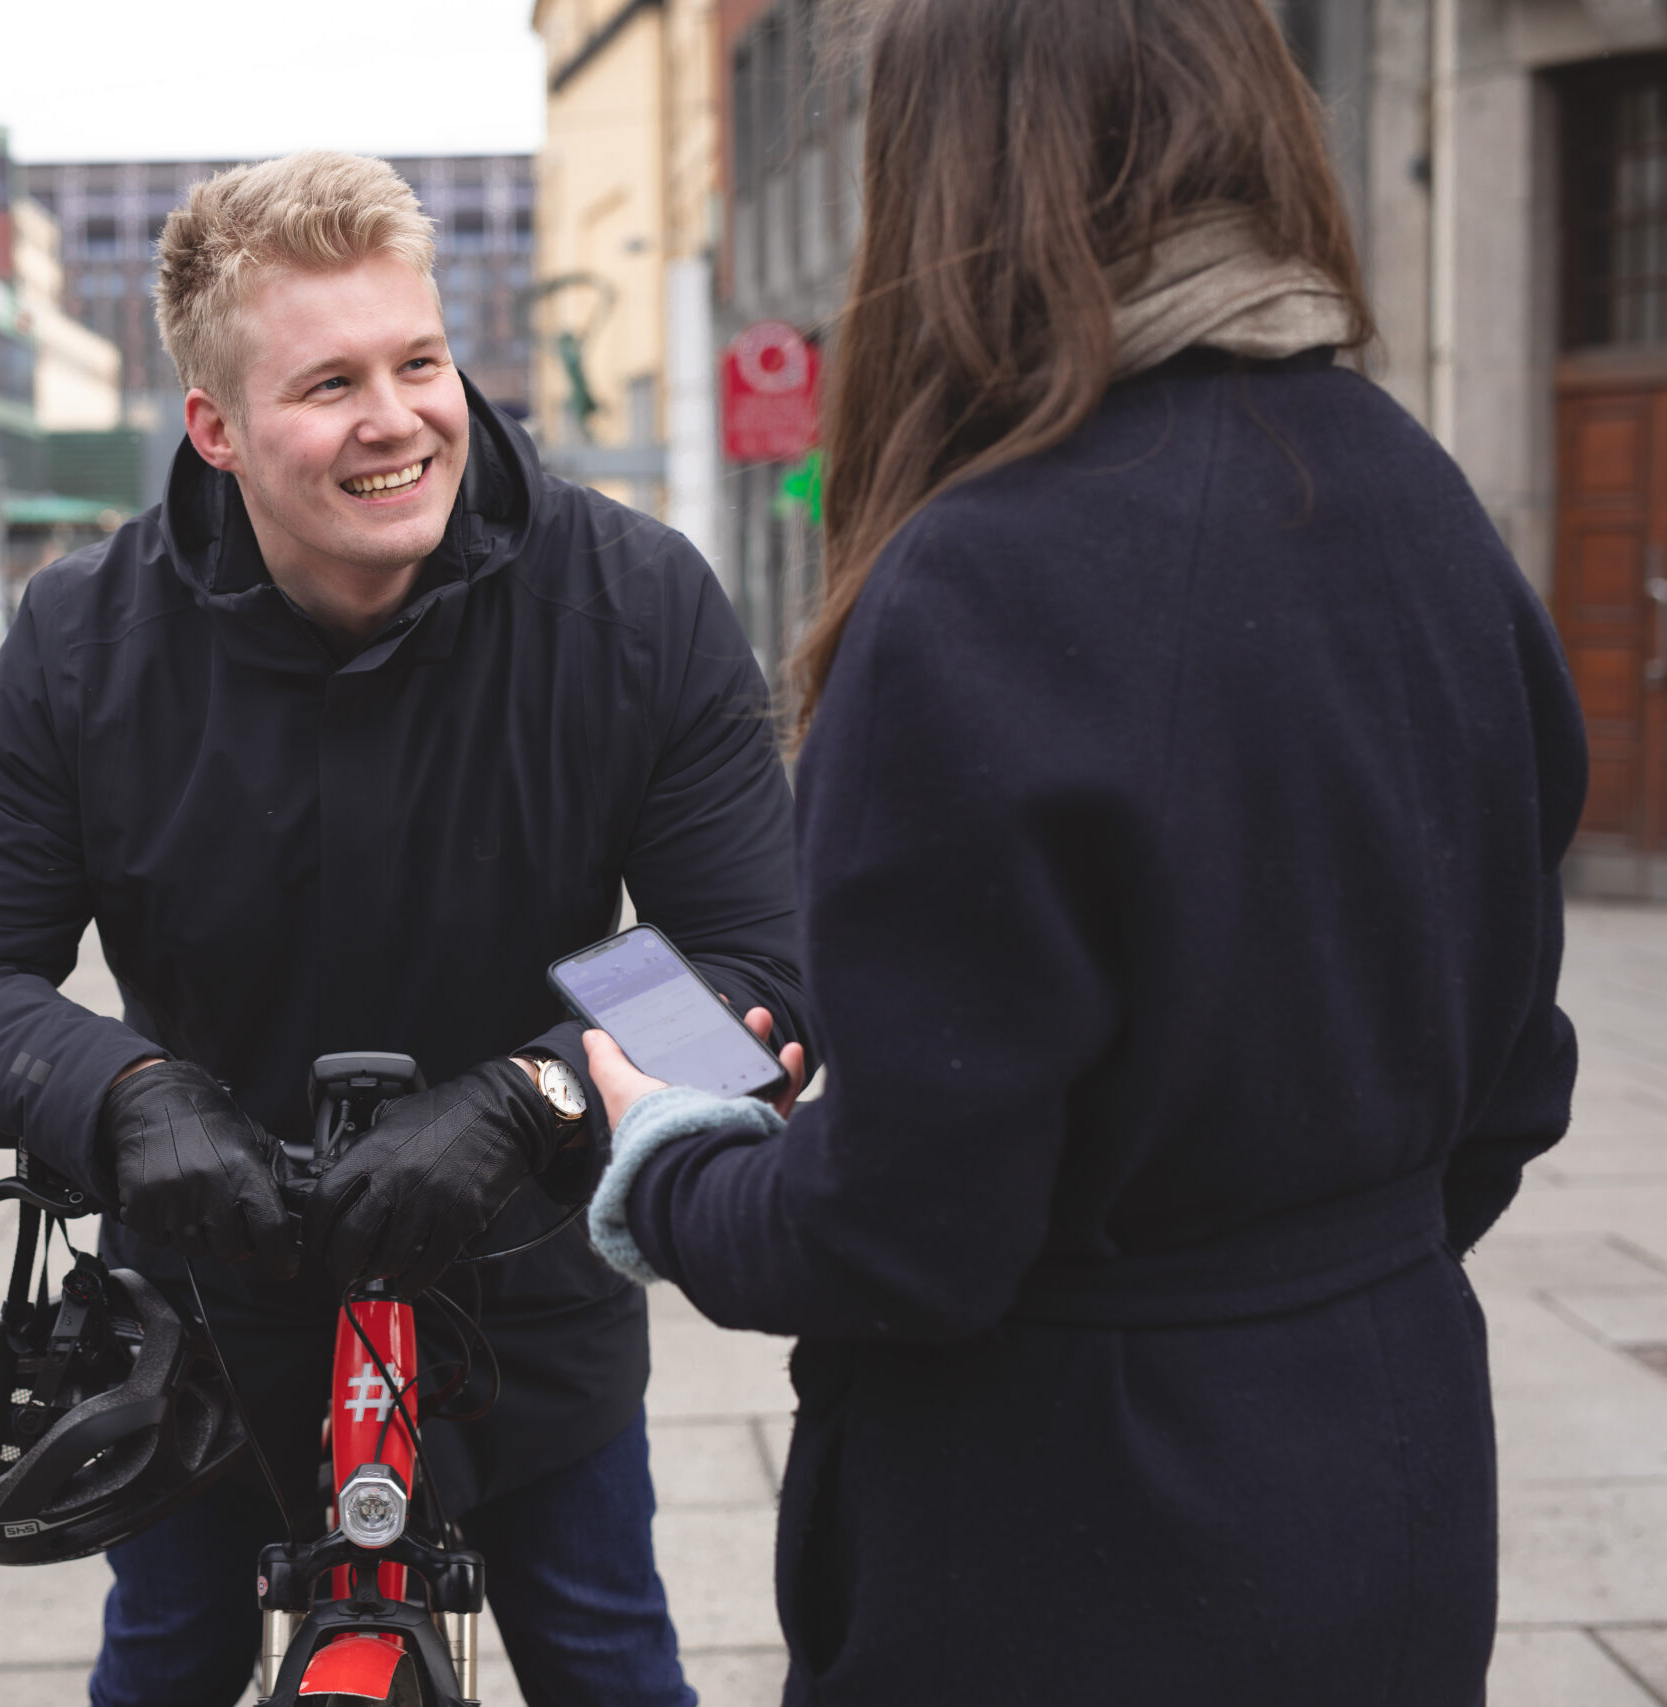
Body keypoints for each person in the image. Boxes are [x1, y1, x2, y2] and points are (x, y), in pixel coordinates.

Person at [576, 4, 1589, 1704]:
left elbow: (905, 1237)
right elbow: (1515, 1082)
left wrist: (674, 1160)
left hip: (1067, 1541)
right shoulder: (1422, 500)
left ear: (951, 184)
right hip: (1393, 1483)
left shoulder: (978, 582)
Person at [0, 152, 806, 1707]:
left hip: (525, 1290)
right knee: (165, 1658)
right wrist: (127, 1093)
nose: (398, 418)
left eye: (420, 361)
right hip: (201, 1307)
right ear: (217, 427)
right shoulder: (86, 637)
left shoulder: (633, 603)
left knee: (608, 1658)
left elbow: (758, 970)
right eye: (330, 382)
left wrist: (540, 1086)